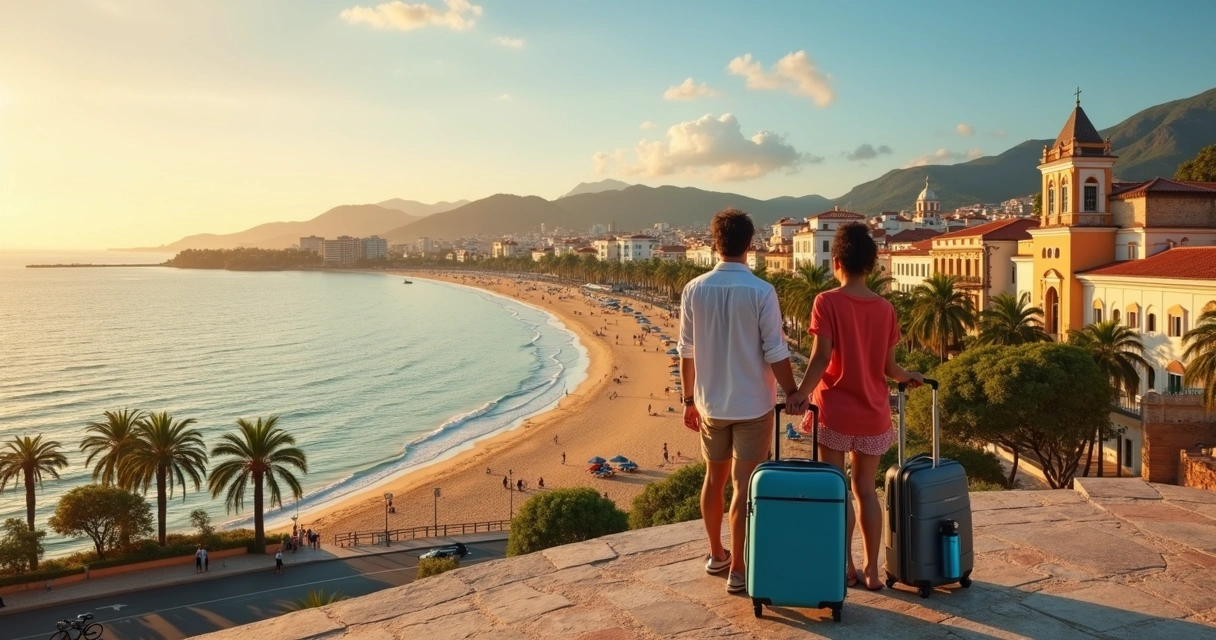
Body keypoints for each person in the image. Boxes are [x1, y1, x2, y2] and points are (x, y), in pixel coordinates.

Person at [787, 222, 924, 591]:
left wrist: (800, 394)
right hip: (873, 412)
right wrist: (910, 375)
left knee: (836, 489)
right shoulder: (885, 308)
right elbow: (889, 369)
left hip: (833, 411)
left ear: (836, 263)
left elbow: (819, 359)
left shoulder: (826, 301)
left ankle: (844, 565)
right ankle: (873, 570)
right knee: (866, 489)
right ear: (870, 264)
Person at [678, 208, 801, 595]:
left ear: (715, 244)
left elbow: (686, 351)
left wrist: (687, 400)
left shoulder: (694, 289)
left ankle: (717, 555)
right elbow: (775, 350)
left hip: (711, 405)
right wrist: (793, 391)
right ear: (750, 245)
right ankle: (740, 570)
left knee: (713, 481)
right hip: (753, 406)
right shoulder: (762, 291)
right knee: (743, 486)